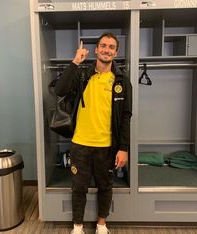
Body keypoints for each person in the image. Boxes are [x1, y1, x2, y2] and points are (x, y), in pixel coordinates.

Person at [55, 32, 132, 234]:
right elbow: (60, 90)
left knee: (105, 187)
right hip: (80, 143)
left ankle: (101, 225)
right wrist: (75, 61)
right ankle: (78, 227)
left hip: (107, 146)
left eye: (111, 47)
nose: (107, 49)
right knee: (78, 187)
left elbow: (126, 116)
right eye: (103, 46)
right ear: (96, 50)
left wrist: (123, 148)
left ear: (116, 52)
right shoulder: (82, 75)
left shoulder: (122, 80)